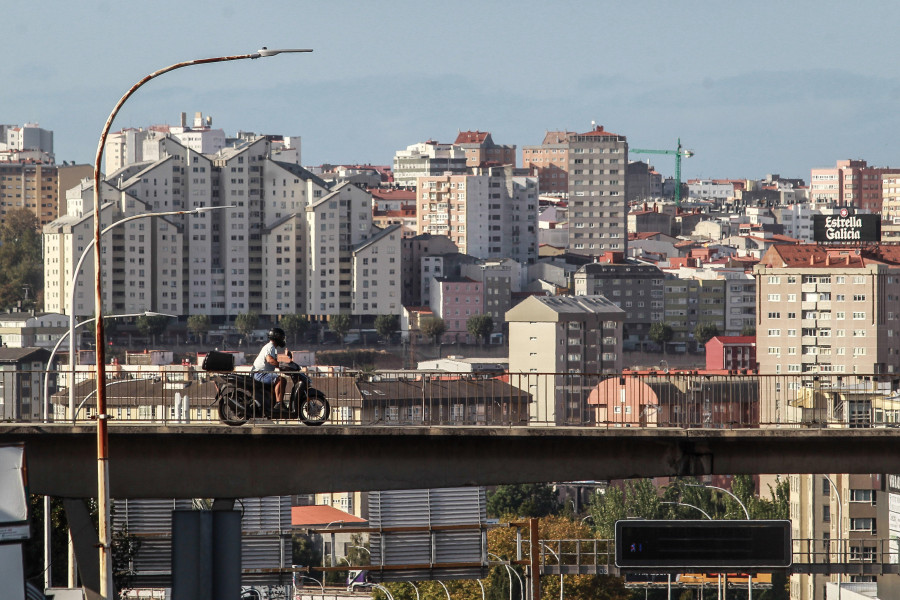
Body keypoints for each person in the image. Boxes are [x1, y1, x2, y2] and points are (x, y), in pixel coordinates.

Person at [253, 327, 289, 412]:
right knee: (281, 380)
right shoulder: (270, 347)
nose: (283, 340)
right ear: (276, 337)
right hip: (260, 373)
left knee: (278, 380)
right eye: (281, 337)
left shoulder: (272, 348)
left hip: (263, 373)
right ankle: (279, 404)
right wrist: (281, 365)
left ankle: (273, 404)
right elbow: (270, 360)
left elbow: (273, 361)